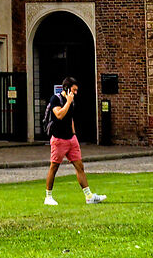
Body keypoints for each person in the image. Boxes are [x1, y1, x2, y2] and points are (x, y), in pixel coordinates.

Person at [42, 78, 105, 206]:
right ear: (67, 88)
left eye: (76, 90)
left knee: (79, 166)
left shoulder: (72, 101)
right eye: (74, 90)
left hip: (71, 140)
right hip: (59, 140)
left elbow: (70, 118)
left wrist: (74, 134)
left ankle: (89, 196)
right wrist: (68, 103)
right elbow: (59, 115)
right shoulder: (56, 99)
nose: (76, 92)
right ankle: (48, 196)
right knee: (54, 167)